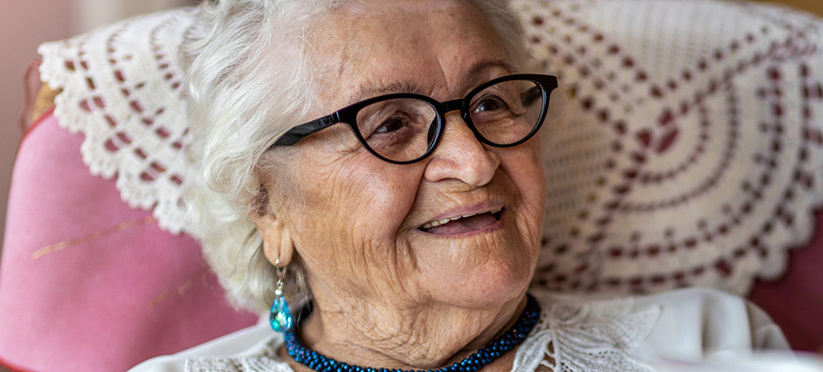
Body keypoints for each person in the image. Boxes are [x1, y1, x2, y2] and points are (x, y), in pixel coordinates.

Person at [131, 0, 790, 371]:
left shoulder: (706, 344)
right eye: (390, 123)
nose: (475, 163)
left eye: (491, 102)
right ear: (266, 207)